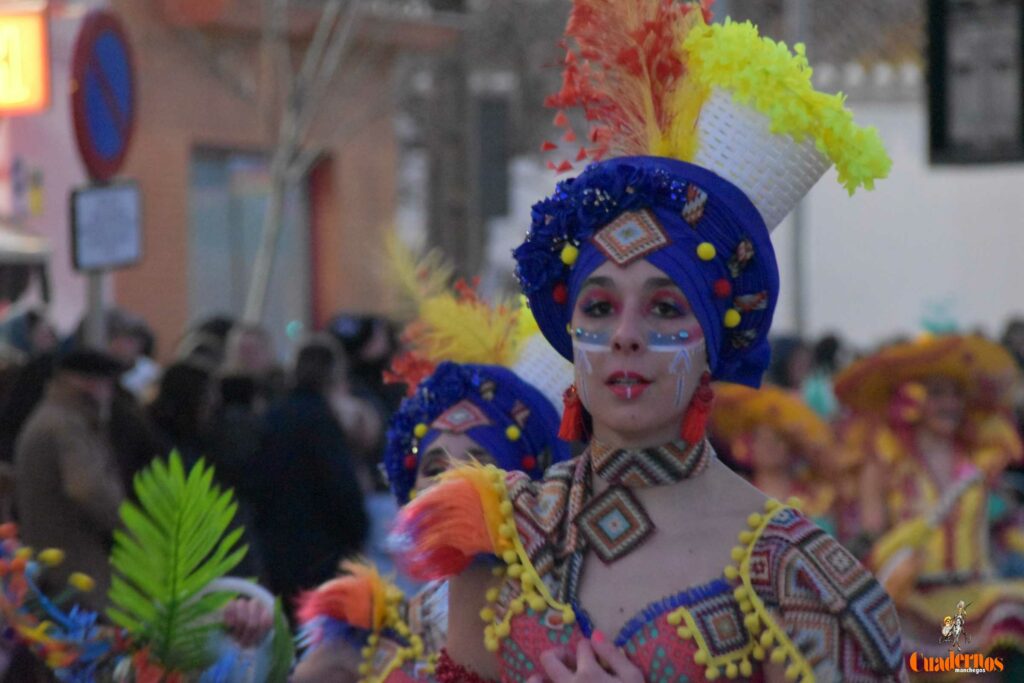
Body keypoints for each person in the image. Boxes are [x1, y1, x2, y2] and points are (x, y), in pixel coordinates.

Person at [386, 2, 905, 680]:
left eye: (664, 307)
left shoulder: (796, 574)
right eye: (599, 307)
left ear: (712, 346)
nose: (626, 336)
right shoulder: (495, 533)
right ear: (571, 334)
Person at [834, 333, 1024, 667]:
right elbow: (868, 544)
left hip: (972, 604)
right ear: (909, 400)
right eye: (937, 393)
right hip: (910, 606)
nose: (950, 404)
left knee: (977, 663)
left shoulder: (981, 460)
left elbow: (1005, 529)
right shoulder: (885, 464)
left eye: (955, 394)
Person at [253, 335, 370, 615]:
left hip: (277, 548)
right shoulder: (321, 420)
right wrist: (358, 530)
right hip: (322, 551)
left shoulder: (273, 415)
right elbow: (341, 487)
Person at [14, 349, 126, 613]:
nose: (110, 394)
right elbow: (87, 489)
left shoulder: (51, 416)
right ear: (88, 383)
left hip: (54, 561)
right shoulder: (66, 425)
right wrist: (131, 528)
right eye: (108, 384)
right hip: (75, 566)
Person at [710, 383, 839, 533]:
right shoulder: (737, 496)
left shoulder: (816, 496)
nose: (769, 446)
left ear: (791, 446)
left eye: (777, 439)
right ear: (750, 446)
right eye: (762, 439)